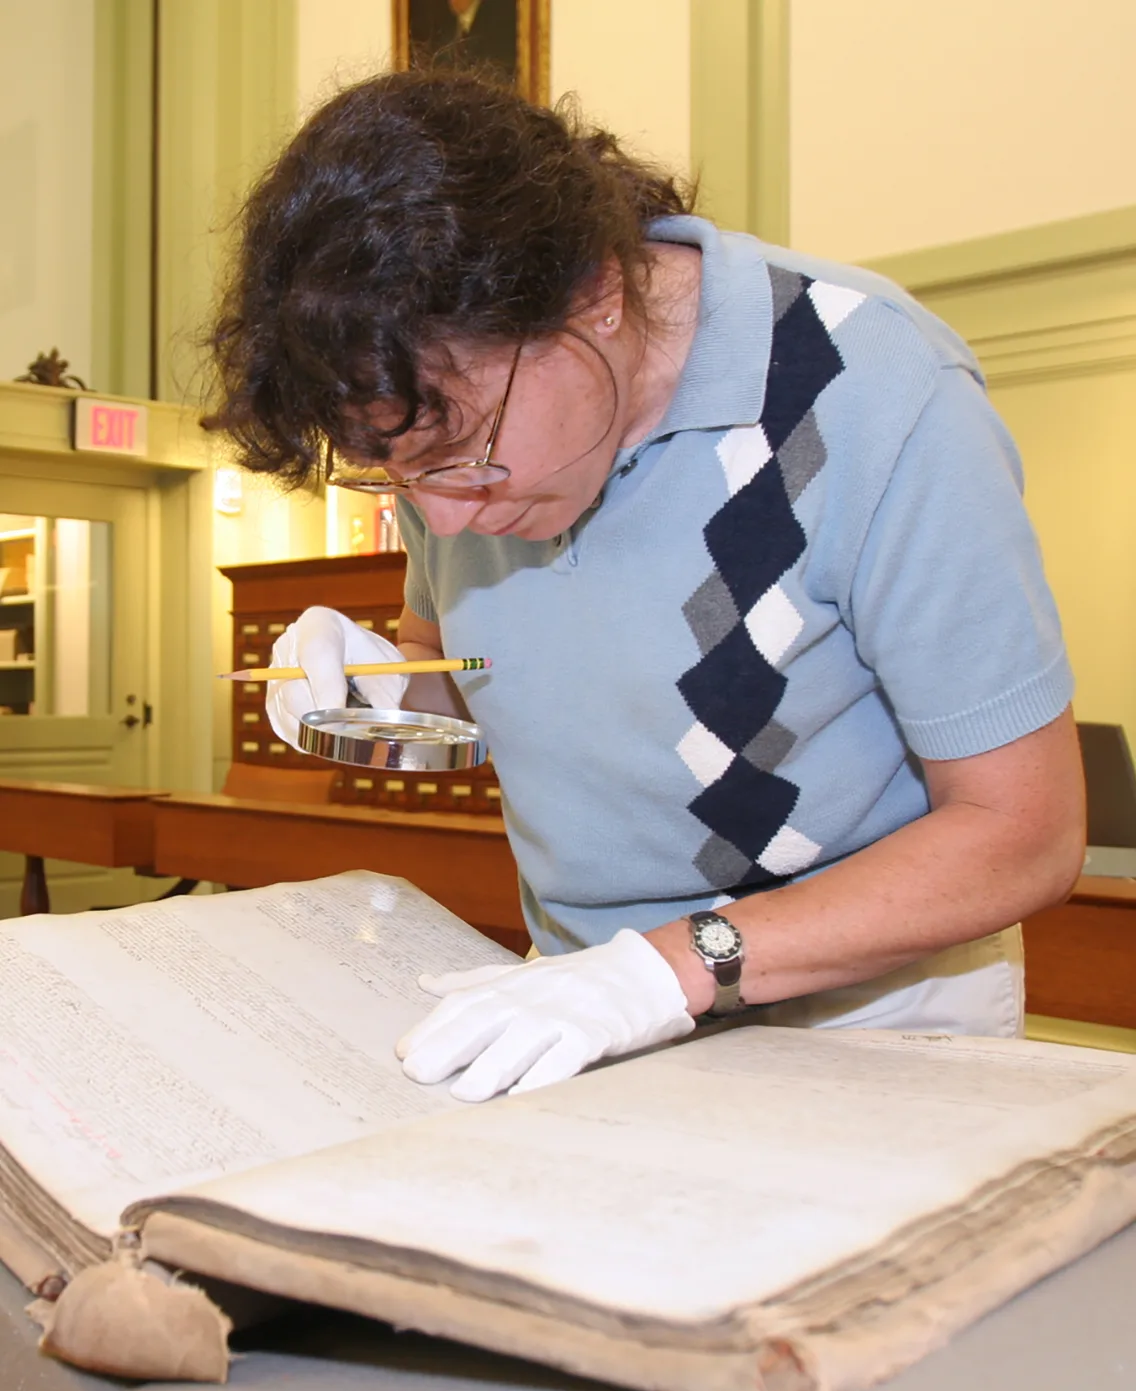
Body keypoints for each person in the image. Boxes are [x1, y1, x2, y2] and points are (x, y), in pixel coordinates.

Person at [205, 69, 1085, 1104]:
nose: (442, 518)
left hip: (870, 1014)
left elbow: (1022, 834)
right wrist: (381, 688)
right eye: (394, 474)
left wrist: (663, 968)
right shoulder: (442, 416)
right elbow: (466, 674)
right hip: (579, 997)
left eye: (462, 456)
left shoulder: (873, 387)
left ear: (597, 299)